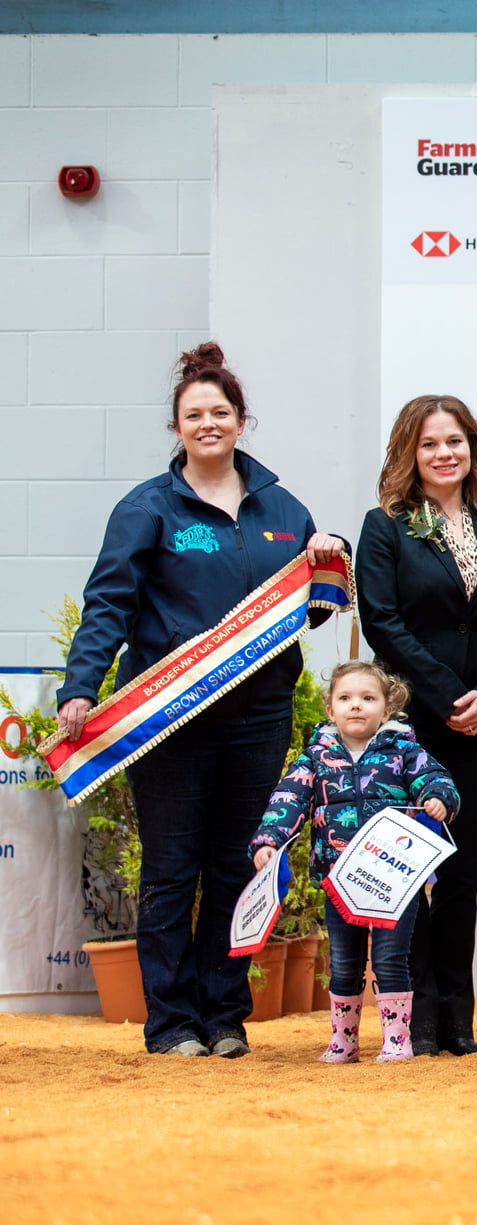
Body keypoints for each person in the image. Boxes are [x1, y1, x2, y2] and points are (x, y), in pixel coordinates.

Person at [54, 342, 343, 1057]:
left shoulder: (284, 507)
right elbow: (108, 605)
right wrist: (82, 685)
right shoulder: (146, 507)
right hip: (172, 722)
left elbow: (308, 613)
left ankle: (223, 1016)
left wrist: (325, 562)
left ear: (242, 421)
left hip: (261, 717)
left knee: (238, 867)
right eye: (194, 414)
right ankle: (171, 1022)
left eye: (220, 412)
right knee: (170, 871)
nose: (208, 423)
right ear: (177, 426)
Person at [358, 395, 477, 1057]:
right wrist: (450, 693)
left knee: (461, 874)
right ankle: (415, 1018)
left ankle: (458, 1022)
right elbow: (383, 623)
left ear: (471, 449)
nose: (443, 453)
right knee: (409, 873)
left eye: (454, 441)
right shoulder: (387, 527)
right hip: (411, 727)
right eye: (429, 443)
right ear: (411, 452)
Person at [251, 660, 461, 1063]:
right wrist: (268, 841)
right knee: (344, 962)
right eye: (345, 698)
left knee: (389, 959)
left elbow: (439, 779)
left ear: (387, 708)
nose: (356, 706)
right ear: (330, 709)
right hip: (339, 880)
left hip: (395, 883)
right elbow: (287, 800)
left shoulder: (404, 751)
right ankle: (343, 1041)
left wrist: (438, 798)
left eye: (368, 698)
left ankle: (397, 1040)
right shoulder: (315, 755)